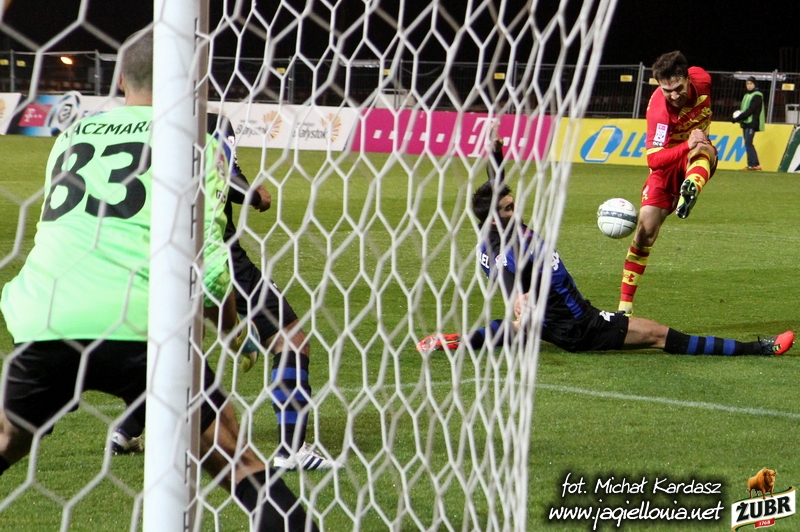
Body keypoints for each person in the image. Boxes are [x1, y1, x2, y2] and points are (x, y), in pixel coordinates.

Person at [0, 29, 319, 532]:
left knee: (8, 440)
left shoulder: (71, 136)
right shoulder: (196, 144)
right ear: (189, 80)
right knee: (232, 455)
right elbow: (211, 265)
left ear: (119, 79)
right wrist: (235, 334)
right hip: (144, 322)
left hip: (48, 312)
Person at [417, 135, 794, 357]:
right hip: (581, 326)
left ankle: (460, 340)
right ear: (493, 218)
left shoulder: (492, 232)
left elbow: (496, 197)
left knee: (523, 328)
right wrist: (520, 302)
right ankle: (758, 348)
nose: (515, 212)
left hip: (550, 323)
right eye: (508, 209)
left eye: (513, 205)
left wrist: (496, 157)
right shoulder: (507, 252)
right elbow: (511, 281)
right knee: (660, 335)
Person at [111, 114, 337, 471]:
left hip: (151, 251)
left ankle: (126, 431)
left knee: (181, 342)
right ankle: (291, 449)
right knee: (290, 338)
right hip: (215, 250)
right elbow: (222, 176)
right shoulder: (211, 121)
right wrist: (255, 195)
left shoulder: (135, 123)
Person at [618, 51, 717, 316]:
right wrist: (686, 143)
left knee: (703, 150)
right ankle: (624, 308)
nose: (673, 95)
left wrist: (693, 144)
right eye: (666, 90)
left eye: (677, 88)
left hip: (695, 157)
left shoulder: (703, 79)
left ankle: (691, 187)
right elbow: (654, 159)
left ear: (688, 78)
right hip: (666, 166)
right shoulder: (660, 112)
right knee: (645, 232)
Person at [732, 76, 764, 171]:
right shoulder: (747, 95)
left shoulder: (757, 95)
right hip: (746, 122)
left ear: (755, 84)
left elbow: (751, 110)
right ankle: (751, 164)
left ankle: (755, 164)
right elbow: (743, 109)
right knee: (747, 143)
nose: (749, 86)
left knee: (748, 142)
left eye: (751, 84)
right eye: (747, 84)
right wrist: (739, 118)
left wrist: (738, 118)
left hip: (752, 122)